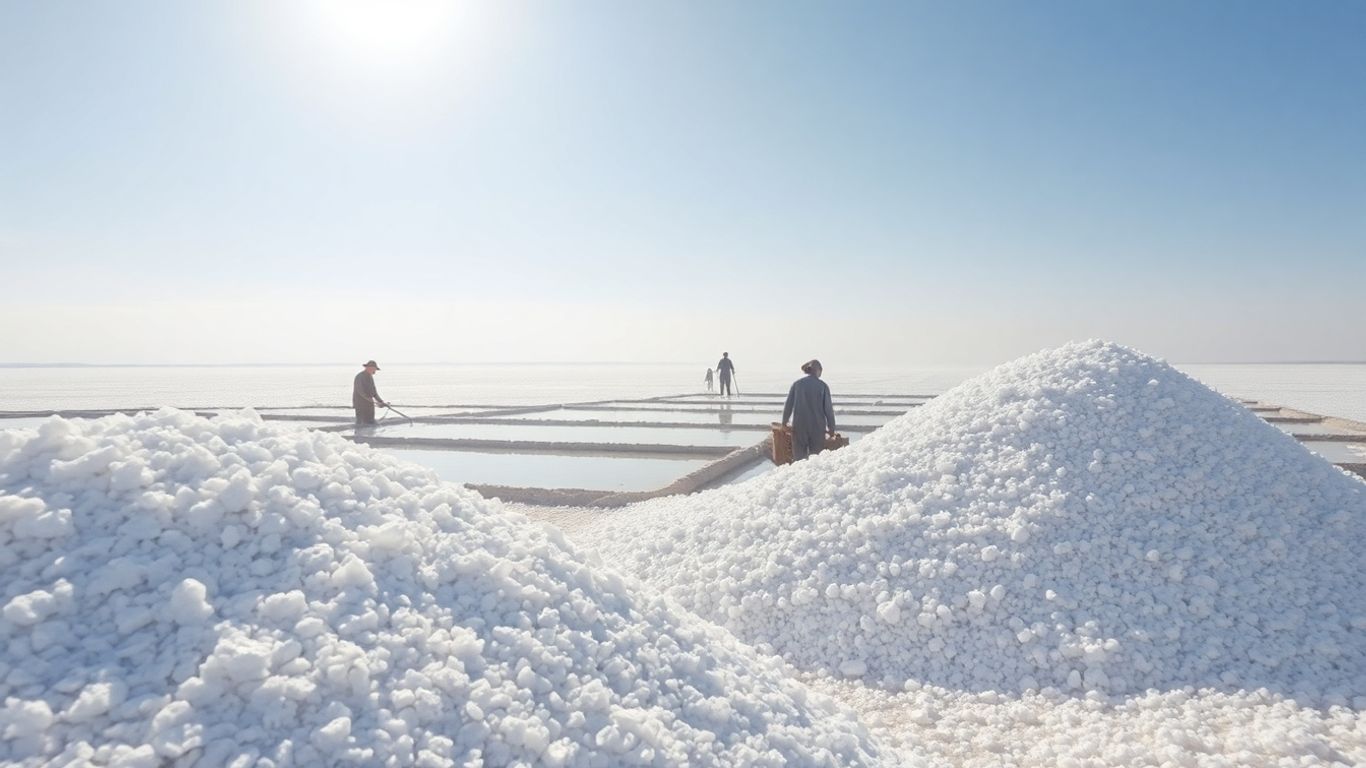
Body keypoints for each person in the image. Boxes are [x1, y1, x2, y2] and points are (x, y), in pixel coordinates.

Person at [782, 359, 836, 461]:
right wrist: (831, 428)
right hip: (817, 427)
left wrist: (784, 422)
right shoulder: (822, 386)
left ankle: (799, 475)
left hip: (799, 426)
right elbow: (828, 409)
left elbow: (788, 405)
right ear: (818, 370)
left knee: (799, 459)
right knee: (815, 459)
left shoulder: (797, 384)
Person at [353, 360, 388, 426]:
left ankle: (370, 435)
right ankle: (358, 436)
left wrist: (381, 401)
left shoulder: (370, 377)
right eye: (374, 369)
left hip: (369, 404)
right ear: (369, 368)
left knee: (371, 422)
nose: (374, 371)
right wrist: (371, 400)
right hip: (360, 404)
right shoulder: (359, 377)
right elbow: (360, 391)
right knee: (361, 423)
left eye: (375, 369)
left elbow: (374, 391)